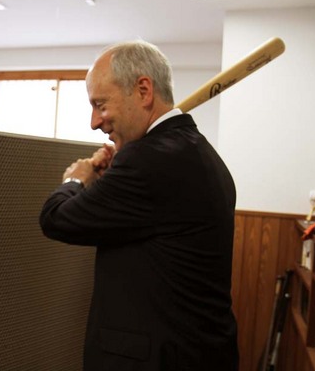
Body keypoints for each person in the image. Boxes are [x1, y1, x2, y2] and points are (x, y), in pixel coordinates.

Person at [39, 40, 238, 370]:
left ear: (144, 91)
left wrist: (76, 179)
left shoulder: (149, 161)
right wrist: (114, 178)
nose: (94, 121)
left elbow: (55, 218)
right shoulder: (197, 151)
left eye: (100, 104)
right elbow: (146, 215)